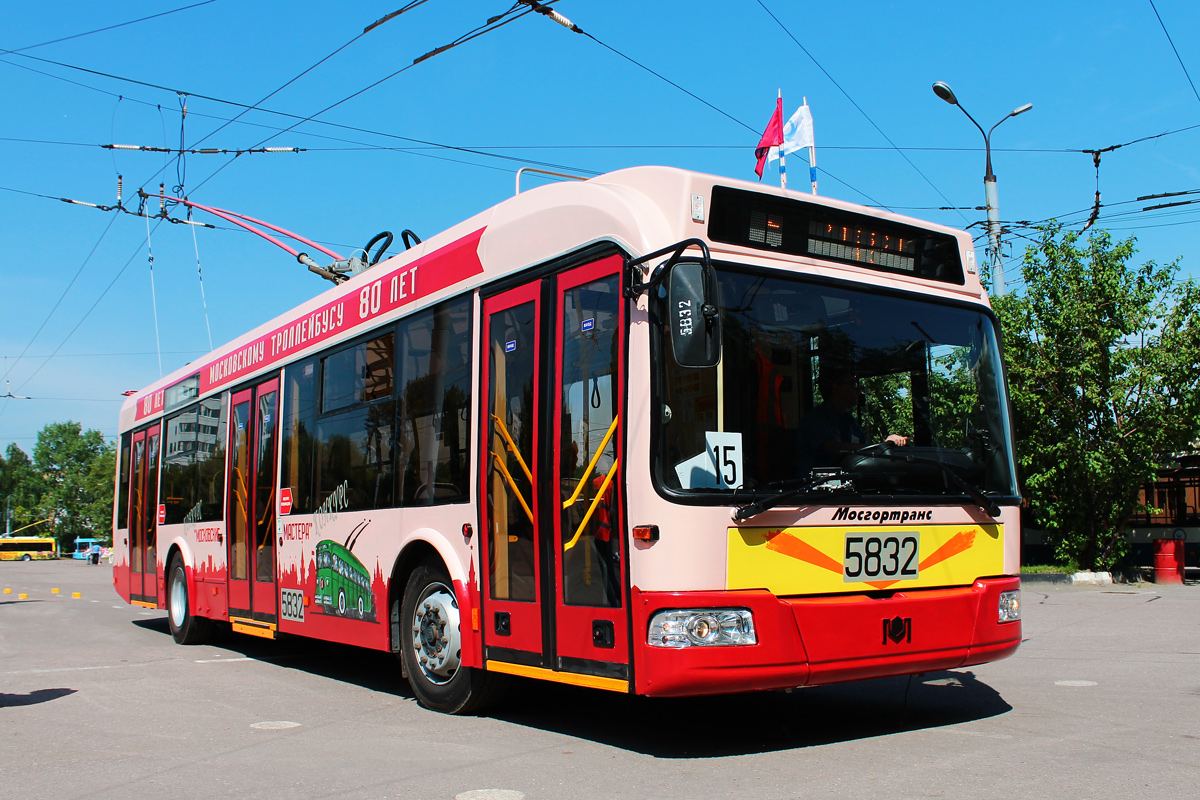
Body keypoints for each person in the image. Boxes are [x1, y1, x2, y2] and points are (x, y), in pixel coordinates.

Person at [799, 367, 908, 472]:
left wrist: (885, 446)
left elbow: (865, 452)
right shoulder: (816, 418)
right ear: (836, 387)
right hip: (814, 487)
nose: (859, 391)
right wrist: (882, 447)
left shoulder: (851, 423)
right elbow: (836, 448)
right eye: (853, 384)